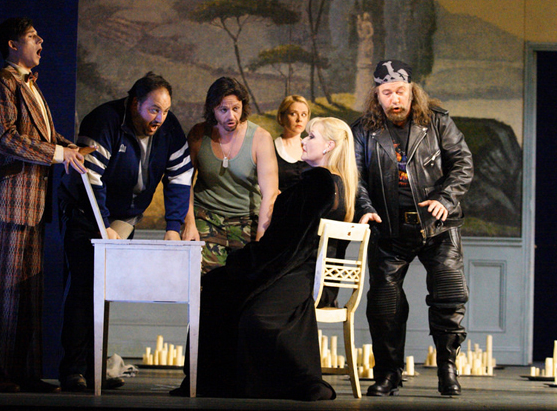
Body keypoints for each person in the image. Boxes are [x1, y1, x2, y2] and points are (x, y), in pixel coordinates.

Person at [171, 117, 358, 400]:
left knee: (217, 287)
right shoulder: (337, 184)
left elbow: (287, 243)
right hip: (302, 271)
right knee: (221, 285)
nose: (303, 141)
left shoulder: (319, 182)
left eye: (311, 137)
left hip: (294, 273)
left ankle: (214, 381)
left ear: (329, 146)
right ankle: (220, 381)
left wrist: (244, 262)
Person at [0, 17, 92, 393]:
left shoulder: (31, 85)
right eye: (33, 37)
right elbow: (6, 139)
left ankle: (24, 371)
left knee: (30, 292)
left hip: (33, 202)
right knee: (6, 290)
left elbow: (45, 135)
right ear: (12, 44)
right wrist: (59, 154)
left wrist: (72, 148)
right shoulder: (1, 84)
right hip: (10, 200)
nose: (41, 43)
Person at [57, 72, 193, 391]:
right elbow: (90, 178)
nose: (160, 118)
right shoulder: (104, 121)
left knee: (105, 294)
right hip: (86, 212)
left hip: (124, 218)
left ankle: (95, 368)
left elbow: (180, 175)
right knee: (84, 289)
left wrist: (174, 227)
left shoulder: (169, 129)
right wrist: (102, 225)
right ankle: (73, 369)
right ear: (134, 104)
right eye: (153, 110)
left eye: (165, 111)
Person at [351, 59, 473, 397]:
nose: (395, 99)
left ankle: (447, 370)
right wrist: (365, 208)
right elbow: (354, 176)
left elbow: (462, 163)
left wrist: (445, 198)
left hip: (438, 227)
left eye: (400, 91)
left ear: (412, 91)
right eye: (387, 93)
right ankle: (388, 374)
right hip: (389, 229)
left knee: (449, 299)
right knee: (384, 306)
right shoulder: (362, 130)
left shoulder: (437, 121)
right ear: (377, 95)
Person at [181, 77, 278, 274]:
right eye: (223, 110)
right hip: (206, 216)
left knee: (244, 279)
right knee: (202, 279)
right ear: (212, 109)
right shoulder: (199, 134)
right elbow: (183, 182)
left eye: (236, 108)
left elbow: (270, 193)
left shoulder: (260, 138)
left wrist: (261, 239)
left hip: (246, 219)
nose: (231, 116)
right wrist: (189, 222)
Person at [274, 95, 311, 192]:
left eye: (304, 114)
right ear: (282, 117)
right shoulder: (270, 149)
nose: (299, 119)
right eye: (293, 114)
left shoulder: (312, 148)